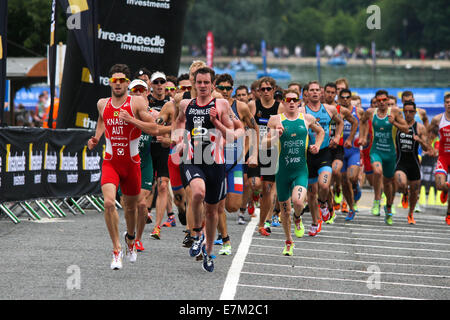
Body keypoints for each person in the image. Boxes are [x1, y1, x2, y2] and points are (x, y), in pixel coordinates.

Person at [87, 64, 158, 270]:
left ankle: (131, 239)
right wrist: (97, 137)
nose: (117, 84)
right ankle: (116, 249)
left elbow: (152, 128)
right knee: (109, 203)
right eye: (114, 80)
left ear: (127, 83)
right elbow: (102, 119)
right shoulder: (103, 103)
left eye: (121, 81)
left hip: (132, 164)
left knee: (131, 208)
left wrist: (132, 120)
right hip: (111, 162)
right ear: (110, 82)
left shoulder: (135, 102)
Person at [172, 66, 241, 272]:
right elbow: (178, 123)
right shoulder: (186, 104)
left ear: (212, 85)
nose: (202, 86)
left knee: (212, 212)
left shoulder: (220, 104)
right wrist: (179, 139)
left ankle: (209, 252)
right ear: (194, 83)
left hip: (215, 163)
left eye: (206, 83)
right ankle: (195, 234)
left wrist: (216, 122)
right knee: (197, 192)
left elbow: (232, 134)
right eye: (199, 82)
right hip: (192, 159)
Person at [264, 89, 324, 255]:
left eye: (294, 99)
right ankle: (288, 241)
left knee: (298, 203)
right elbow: (264, 143)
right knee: (285, 211)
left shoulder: (307, 118)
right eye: (287, 99)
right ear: (282, 102)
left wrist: (317, 146)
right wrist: (275, 136)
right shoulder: (275, 120)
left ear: (299, 102)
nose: (291, 102)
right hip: (282, 172)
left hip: (300, 170)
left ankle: (298, 218)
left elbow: (321, 132)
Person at [214, 73, 257, 256]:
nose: (224, 91)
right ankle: (224, 237)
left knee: (232, 205)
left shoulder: (241, 107)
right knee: (217, 204)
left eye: (227, 88)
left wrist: (250, 152)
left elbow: (254, 129)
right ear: (215, 88)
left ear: (232, 89)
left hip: (235, 164)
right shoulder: (210, 105)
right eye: (221, 88)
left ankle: (219, 218)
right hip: (214, 162)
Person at [300, 81, 344, 236]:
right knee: (311, 193)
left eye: (317, 90)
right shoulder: (301, 110)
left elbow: (340, 122)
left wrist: (337, 137)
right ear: (306, 93)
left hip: (324, 152)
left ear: (321, 93)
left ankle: (324, 203)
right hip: (307, 154)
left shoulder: (330, 109)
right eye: (311, 90)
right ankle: (315, 221)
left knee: (324, 186)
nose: (314, 92)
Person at [359, 90, 409, 225]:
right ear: (376, 101)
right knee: (377, 171)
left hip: (390, 154)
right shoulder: (371, 112)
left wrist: (395, 123)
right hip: (376, 151)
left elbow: (406, 129)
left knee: (388, 183)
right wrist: (363, 137)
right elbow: (362, 121)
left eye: (384, 100)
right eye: (379, 100)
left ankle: (388, 206)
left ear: (388, 100)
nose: (381, 102)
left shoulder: (395, 112)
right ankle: (376, 201)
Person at [118, 79, 155, 252]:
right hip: (125, 165)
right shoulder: (121, 112)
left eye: (142, 90)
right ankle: (130, 234)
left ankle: (137, 238)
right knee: (127, 203)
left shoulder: (154, 115)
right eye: (135, 90)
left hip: (144, 165)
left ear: (147, 93)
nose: (138, 93)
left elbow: (161, 130)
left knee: (141, 204)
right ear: (129, 93)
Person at [247, 77, 280, 236]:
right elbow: (250, 128)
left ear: (274, 90)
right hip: (255, 149)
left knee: (267, 189)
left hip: (271, 150)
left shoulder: (279, 107)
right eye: (263, 89)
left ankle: (263, 223)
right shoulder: (253, 105)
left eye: (269, 89)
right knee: (255, 184)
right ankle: (254, 196)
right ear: (258, 91)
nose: (265, 92)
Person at [395, 101, 431, 224]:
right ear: (403, 112)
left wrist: (420, 140)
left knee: (415, 190)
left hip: (414, 162)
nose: (408, 114)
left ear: (415, 113)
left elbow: (427, 148)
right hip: (401, 161)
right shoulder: (398, 125)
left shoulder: (420, 127)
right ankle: (405, 192)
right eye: (406, 111)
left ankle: (410, 214)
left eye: (411, 111)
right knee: (401, 183)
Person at [147, 71, 174, 239]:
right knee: (148, 187)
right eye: (155, 82)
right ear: (151, 84)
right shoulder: (145, 101)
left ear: (165, 84)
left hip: (164, 149)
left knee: (163, 185)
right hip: (148, 148)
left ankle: (157, 227)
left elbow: (178, 129)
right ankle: (145, 214)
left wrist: (167, 138)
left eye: (161, 82)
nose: (159, 85)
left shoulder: (171, 104)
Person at [339, 89, 364, 221]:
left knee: (352, 177)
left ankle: (355, 185)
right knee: (344, 181)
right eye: (342, 97)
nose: (345, 99)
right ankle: (351, 207)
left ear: (350, 98)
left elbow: (365, 123)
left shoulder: (358, 111)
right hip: (340, 150)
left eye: (347, 97)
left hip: (353, 149)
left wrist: (363, 137)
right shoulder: (336, 111)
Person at [428, 94, 450, 225]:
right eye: (447, 102)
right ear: (444, 104)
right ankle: (446, 190)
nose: (449, 104)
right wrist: (430, 148)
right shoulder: (437, 119)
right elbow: (430, 134)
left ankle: (448, 214)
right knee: (440, 185)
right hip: (443, 156)